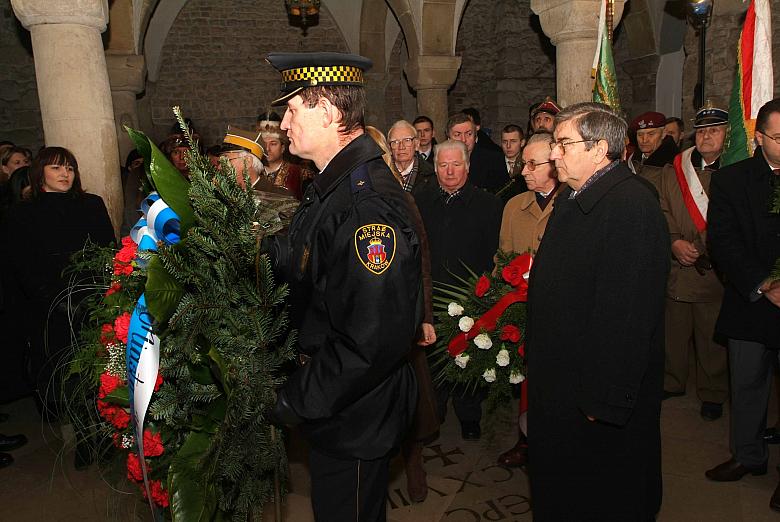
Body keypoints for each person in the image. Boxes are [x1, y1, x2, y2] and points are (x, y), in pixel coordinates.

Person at [265, 52, 422, 522]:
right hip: (336, 401)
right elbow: (302, 255)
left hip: (354, 410)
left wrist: (294, 398)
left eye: (292, 110)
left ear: (330, 113)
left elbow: (369, 341)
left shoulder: (365, 207)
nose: (283, 123)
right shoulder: (331, 186)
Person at [527, 102, 669, 521]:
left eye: (563, 143)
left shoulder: (630, 206)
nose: (553, 154)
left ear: (600, 148)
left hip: (595, 397)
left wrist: (606, 399)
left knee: (604, 494)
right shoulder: (577, 196)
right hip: (563, 384)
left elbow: (628, 315)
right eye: (554, 143)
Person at [705, 98, 780, 513]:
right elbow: (723, 241)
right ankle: (748, 456)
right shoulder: (733, 181)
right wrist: (765, 283)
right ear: (759, 137)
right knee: (747, 386)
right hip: (751, 302)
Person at [1, 147, 115, 420]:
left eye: (70, 168)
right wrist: (55, 300)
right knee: (65, 373)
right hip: (50, 307)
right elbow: (21, 265)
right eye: (56, 168)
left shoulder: (92, 204)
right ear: (40, 173)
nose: (65, 173)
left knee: (101, 370)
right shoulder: (22, 213)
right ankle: (80, 430)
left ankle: (101, 428)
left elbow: (107, 251)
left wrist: (103, 293)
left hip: (93, 301)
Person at [414, 139, 502, 442]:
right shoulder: (421, 201)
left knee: (470, 357)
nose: (449, 171)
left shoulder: (488, 205)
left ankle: (469, 415)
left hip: (472, 296)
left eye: (456, 164)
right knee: (434, 357)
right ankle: (434, 413)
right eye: (443, 165)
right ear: (435, 168)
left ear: (467, 166)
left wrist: (486, 292)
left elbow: (494, 252)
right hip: (432, 294)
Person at [658, 102, 729, 420]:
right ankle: (673, 381)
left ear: (728, 134)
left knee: (710, 333)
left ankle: (712, 391)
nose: (707, 137)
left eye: (714, 130)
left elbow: (729, 218)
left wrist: (700, 247)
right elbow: (662, 209)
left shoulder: (734, 169)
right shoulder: (675, 168)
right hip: (678, 263)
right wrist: (674, 241)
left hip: (711, 267)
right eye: (702, 131)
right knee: (674, 329)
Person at [496, 130, 560, 468]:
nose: (524, 171)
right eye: (524, 163)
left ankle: (554, 444)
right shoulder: (512, 206)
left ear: (554, 164)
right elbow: (502, 259)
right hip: (520, 311)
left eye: (532, 164)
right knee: (524, 382)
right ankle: (525, 440)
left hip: (558, 316)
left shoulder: (572, 205)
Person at [447, 112, 508, 193]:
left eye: (469, 134)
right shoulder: (440, 162)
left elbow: (503, 193)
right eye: (457, 135)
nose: (463, 139)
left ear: (475, 136)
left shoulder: (494, 159)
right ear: (448, 139)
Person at [258, 119, 304, 199]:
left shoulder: (299, 173)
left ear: (282, 148)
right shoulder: (254, 171)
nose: (267, 148)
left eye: (273, 144)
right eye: (264, 144)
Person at [628, 111, 678, 184]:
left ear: (663, 134)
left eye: (651, 134)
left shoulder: (674, 164)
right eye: (640, 134)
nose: (644, 140)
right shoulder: (632, 159)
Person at [388, 119, 435, 192]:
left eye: (407, 140)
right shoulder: (381, 175)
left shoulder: (432, 174)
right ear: (389, 148)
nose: (401, 147)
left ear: (416, 144)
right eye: (395, 142)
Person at [500, 124, 529, 200]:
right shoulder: (493, 163)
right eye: (504, 142)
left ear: (522, 143)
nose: (508, 146)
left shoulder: (528, 164)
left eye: (513, 141)